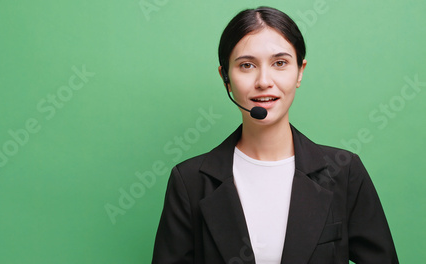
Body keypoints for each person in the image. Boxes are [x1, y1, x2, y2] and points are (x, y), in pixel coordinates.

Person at [152, 6, 398, 264]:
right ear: (225, 78)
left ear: (300, 71)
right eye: (247, 65)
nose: (264, 81)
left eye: (280, 63)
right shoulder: (189, 181)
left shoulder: (345, 172)